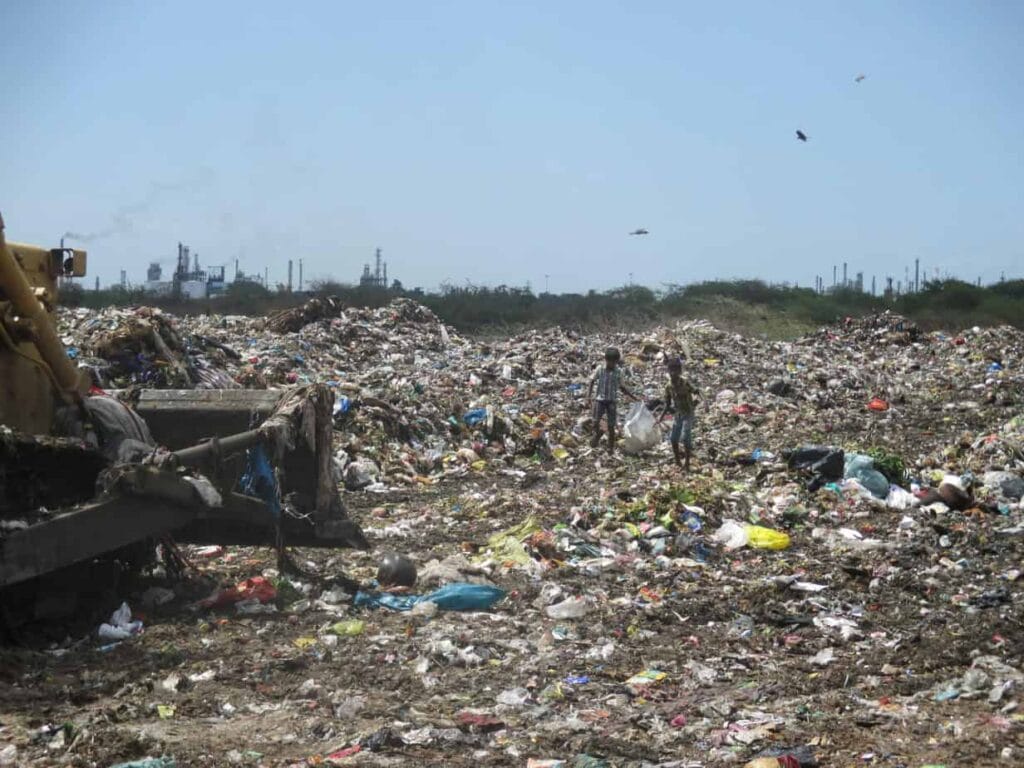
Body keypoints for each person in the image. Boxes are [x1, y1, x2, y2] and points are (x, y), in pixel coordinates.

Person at [587, 347, 637, 454]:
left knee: (611, 425)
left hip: (612, 401)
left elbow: (622, 387)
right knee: (595, 421)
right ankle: (598, 434)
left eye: (614, 362)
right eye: (610, 362)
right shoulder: (600, 369)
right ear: (606, 360)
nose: (612, 364)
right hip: (600, 400)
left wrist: (633, 397)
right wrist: (588, 396)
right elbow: (591, 381)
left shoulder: (619, 372)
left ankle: (610, 447)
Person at [658, 357, 698, 470]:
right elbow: (667, 404)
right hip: (678, 414)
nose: (673, 373)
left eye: (675, 370)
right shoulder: (668, 386)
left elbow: (696, 391)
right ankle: (677, 461)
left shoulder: (685, 382)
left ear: (680, 371)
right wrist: (660, 418)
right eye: (670, 371)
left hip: (688, 413)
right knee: (673, 439)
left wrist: (704, 403)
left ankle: (687, 463)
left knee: (686, 437)